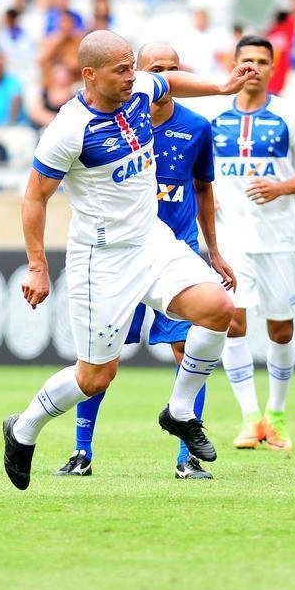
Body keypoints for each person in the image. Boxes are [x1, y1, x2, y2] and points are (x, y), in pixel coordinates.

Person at [2, 30, 259, 492]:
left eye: (131, 67)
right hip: (102, 260)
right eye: (121, 69)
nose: (132, 76)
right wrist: (37, 265)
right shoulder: (68, 130)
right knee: (95, 377)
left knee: (219, 309)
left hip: (151, 241)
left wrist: (221, 86)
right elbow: (34, 198)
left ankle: (179, 412)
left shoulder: (139, 88)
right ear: (89, 75)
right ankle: (23, 429)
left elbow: (171, 82)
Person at [58, 41, 233, 480]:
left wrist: (213, 249)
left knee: (186, 348)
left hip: (171, 253)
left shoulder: (196, 127)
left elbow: (204, 189)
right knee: (101, 364)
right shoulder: (118, 118)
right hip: (120, 254)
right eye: (158, 68)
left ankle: (185, 456)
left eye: (174, 68)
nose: (166, 75)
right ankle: (82, 452)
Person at [203, 34, 295, 453]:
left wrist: (282, 187)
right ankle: (249, 418)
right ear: (234, 66)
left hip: (278, 238)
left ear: (272, 68)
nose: (253, 67)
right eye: (246, 60)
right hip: (230, 236)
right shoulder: (213, 114)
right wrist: (206, 190)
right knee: (232, 321)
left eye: (261, 60)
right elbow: (193, 163)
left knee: (280, 326)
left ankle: (276, 414)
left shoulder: (290, 115)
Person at [29, 63, 79, 128]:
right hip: (44, 127)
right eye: (58, 73)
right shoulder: (44, 92)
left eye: (63, 73)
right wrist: (51, 119)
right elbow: (35, 112)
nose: (61, 76)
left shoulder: (74, 93)